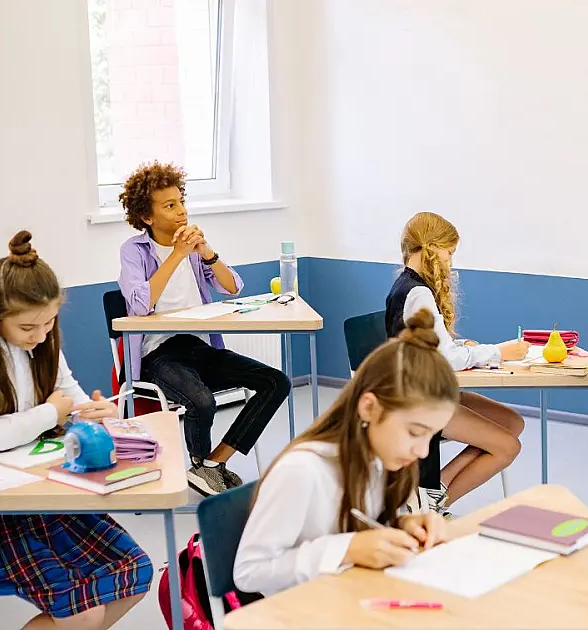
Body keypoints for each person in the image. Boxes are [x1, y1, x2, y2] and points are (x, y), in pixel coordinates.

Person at [0, 231, 152, 630]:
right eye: (28, 327)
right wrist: (51, 415)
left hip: (44, 494)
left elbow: (72, 399)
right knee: (82, 608)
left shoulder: (44, 342)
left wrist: (96, 413)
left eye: (49, 322)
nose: (41, 335)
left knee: (134, 572)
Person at [234, 308, 452, 596]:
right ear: (369, 408)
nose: (423, 452)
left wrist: (404, 525)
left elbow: (361, 523)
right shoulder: (302, 471)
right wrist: (348, 549)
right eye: (414, 432)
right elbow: (250, 572)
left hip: (350, 600)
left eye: (431, 436)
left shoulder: (381, 456)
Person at [117, 161, 291, 496]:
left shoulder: (195, 249)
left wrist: (206, 253)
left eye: (181, 201)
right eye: (170, 205)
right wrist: (177, 255)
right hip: (159, 355)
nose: (181, 211)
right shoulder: (134, 252)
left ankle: (211, 464)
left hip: (199, 347)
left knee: (276, 382)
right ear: (147, 217)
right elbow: (140, 304)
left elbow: (233, 287)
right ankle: (202, 467)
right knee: (202, 400)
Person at [384, 212, 527, 515]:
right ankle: (428, 510)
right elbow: (445, 359)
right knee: (507, 446)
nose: (450, 261)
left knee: (513, 423)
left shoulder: (408, 286)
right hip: (421, 401)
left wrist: (464, 346)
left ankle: (434, 491)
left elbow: (435, 347)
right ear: (433, 248)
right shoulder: (418, 293)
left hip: (428, 389)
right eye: (450, 253)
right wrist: (499, 352)